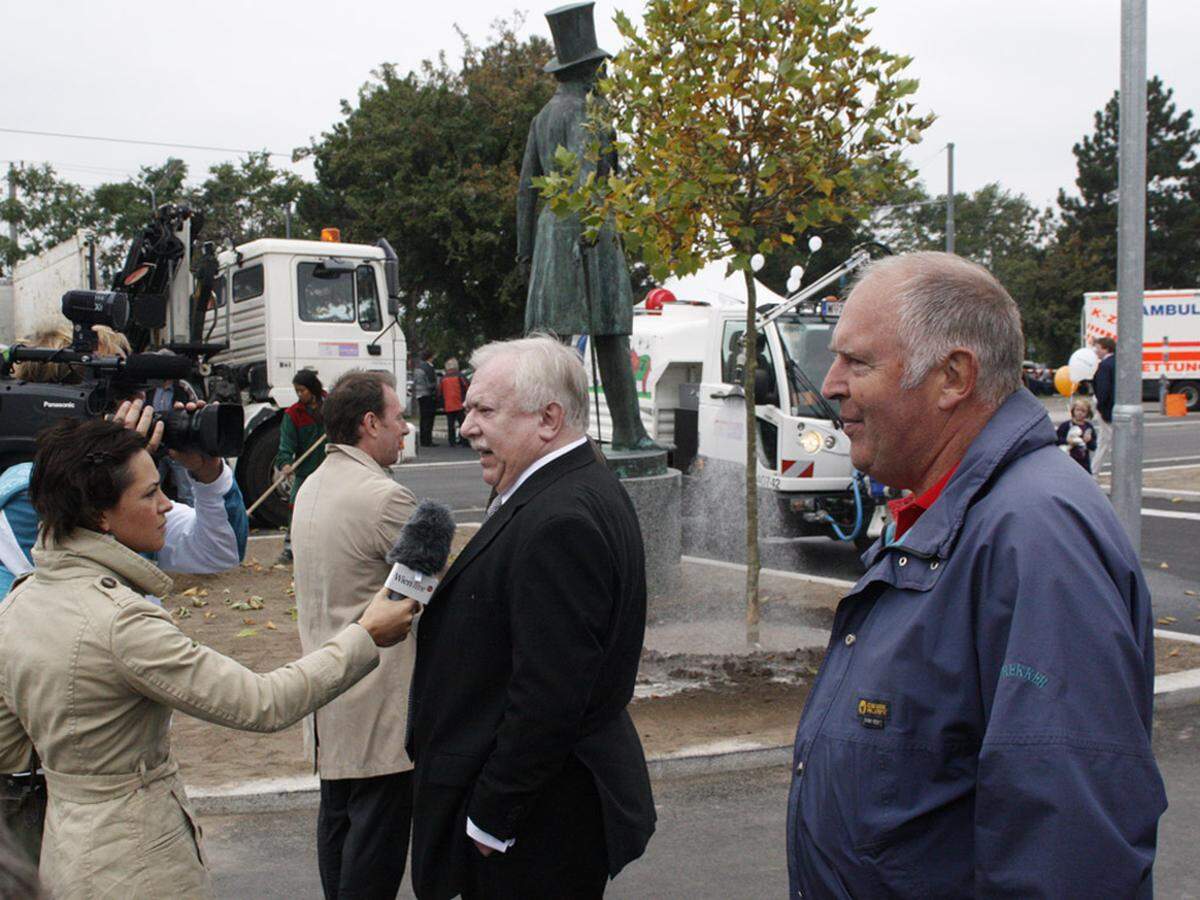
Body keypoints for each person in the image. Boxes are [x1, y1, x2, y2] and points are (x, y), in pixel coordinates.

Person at [788, 252, 1165, 897]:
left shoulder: (1038, 540)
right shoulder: (950, 511)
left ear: (953, 376)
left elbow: (1067, 852)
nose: (831, 384)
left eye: (857, 361)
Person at [0, 417, 419, 899]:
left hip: (63, 855)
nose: (164, 506)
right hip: (139, 867)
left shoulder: (19, 603)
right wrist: (365, 635)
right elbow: (263, 702)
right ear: (100, 516)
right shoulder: (121, 623)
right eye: (149, 494)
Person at [407, 335, 655, 900]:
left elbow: (550, 695)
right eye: (468, 408)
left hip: (534, 831)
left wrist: (492, 820)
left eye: (484, 410)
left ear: (548, 419)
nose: (467, 426)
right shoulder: (561, 486)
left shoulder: (559, 518)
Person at [290, 370, 418, 899]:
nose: (407, 429)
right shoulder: (385, 498)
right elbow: (430, 596)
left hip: (328, 700)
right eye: (398, 418)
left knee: (337, 832)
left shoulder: (312, 484)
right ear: (370, 424)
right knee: (372, 859)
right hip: (378, 706)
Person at [515, 3, 658, 451]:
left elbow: (526, 191)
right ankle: (629, 432)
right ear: (588, 70)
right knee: (611, 335)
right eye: (599, 68)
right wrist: (587, 234)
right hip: (587, 235)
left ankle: (540, 436)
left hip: (550, 239)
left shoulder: (542, 118)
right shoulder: (590, 114)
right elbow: (582, 179)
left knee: (550, 347)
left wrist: (525, 252)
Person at [275, 369, 327, 564]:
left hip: (331, 468)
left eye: (302, 390)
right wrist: (286, 463)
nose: (299, 395)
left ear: (312, 389)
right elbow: (286, 444)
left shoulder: (331, 406)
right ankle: (290, 547)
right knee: (295, 503)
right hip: (307, 470)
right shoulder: (293, 414)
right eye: (296, 391)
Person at [151, 376, 200, 505]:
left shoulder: (182, 388)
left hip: (176, 444)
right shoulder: (151, 389)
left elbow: (194, 406)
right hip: (156, 446)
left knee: (186, 491)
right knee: (151, 487)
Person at [1091, 335, 1116, 477]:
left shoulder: (1105, 366)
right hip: (1111, 406)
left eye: (1098, 348)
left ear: (1106, 349)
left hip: (1106, 408)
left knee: (1109, 440)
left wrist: (1101, 406)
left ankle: (1118, 469)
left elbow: (1103, 389)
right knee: (1104, 440)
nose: (1096, 351)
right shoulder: (1116, 363)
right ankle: (1094, 470)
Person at [1056, 397, 1098, 471]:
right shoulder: (1066, 425)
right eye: (1077, 410)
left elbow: (1093, 446)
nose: (1080, 413)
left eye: (1083, 411)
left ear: (1087, 413)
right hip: (1068, 459)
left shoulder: (1088, 427)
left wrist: (1089, 440)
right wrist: (1067, 441)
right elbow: (1056, 439)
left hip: (1083, 462)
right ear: (1073, 411)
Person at [438, 358, 469, 446]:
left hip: (448, 405)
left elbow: (439, 392)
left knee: (450, 424)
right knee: (462, 423)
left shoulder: (443, 378)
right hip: (459, 403)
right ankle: (464, 441)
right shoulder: (460, 376)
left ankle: (452, 442)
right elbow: (467, 387)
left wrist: (442, 404)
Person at [413, 350, 438, 447]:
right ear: (430, 357)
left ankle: (423, 440)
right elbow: (431, 383)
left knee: (423, 418)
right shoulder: (429, 368)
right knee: (429, 418)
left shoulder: (418, 367)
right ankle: (428, 440)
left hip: (419, 395)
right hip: (428, 395)